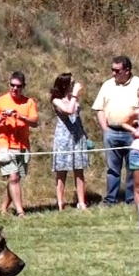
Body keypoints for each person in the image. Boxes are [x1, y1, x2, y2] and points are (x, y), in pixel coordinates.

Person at [0, 71, 39, 217]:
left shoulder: (29, 102)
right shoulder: (0, 101)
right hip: (5, 144)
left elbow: (35, 122)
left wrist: (21, 116)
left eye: (18, 86)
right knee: (13, 178)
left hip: (22, 145)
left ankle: (3, 208)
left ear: (23, 86)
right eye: (12, 85)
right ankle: (20, 211)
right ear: (9, 84)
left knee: (15, 179)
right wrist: (0, 118)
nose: (15, 89)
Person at [92, 56, 139, 205]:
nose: (113, 73)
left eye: (117, 70)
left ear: (127, 70)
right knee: (112, 168)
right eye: (112, 70)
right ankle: (110, 199)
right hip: (111, 132)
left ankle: (131, 199)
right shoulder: (107, 85)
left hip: (132, 132)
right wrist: (105, 129)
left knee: (132, 168)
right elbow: (99, 108)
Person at [50, 73, 89, 210]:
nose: (74, 84)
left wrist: (84, 134)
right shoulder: (57, 100)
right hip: (63, 138)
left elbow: (77, 117)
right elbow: (69, 110)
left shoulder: (74, 99)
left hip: (77, 137)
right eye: (72, 83)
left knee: (79, 170)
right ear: (65, 85)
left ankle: (81, 202)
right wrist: (75, 95)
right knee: (61, 171)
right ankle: (60, 202)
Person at [125, 87, 139, 232]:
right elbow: (124, 122)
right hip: (138, 151)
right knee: (138, 186)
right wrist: (134, 131)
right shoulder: (138, 112)